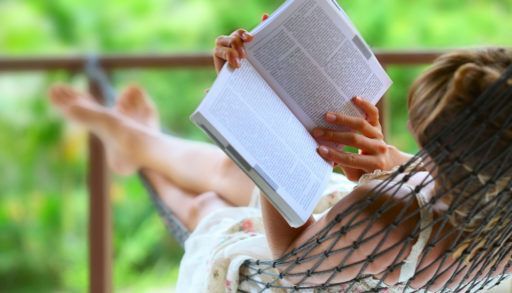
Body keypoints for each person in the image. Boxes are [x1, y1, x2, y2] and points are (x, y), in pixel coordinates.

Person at [48, 28, 512, 291]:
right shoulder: (496, 194)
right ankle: (139, 143)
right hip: (361, 249)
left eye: (425, 143)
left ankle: (137, 150)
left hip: (297, 275)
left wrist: (270, 143)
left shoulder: (381, 214)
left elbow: (290, 258)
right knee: (228, 173)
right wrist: (387, 157)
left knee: (207, 206)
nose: (416, 146)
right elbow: (431, 178)